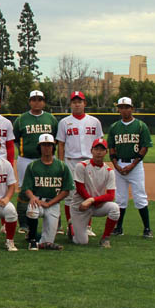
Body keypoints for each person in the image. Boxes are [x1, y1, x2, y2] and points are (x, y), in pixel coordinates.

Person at [56, 91, 103, 238]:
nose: (77, 104)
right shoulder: (64, 122)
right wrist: (62, 164)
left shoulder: (94, 122)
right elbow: (61, 145)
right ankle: (71, 224)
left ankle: (87, 226)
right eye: (74, 101)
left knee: (89, 194)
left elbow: (99, 144)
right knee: (70, 195)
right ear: (71, 104)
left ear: (85, 103)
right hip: (71, 161)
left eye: (80, 101)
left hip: (89, 161)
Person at [107, 97, 153, 238]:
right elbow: (112, 149)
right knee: (120, 198)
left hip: (136, 165)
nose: (124, 110)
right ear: (118, 109)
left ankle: (147, 229)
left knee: (140, 197)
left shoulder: (140, 126)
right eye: (121, 107)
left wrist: (132, 165)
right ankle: (118, 228)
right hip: (119, 164)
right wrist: (117, 166)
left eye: (127, 107)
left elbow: (145, 147)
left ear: (132, 108)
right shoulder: (115, 127)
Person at [12, 90, 58, 234]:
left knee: (52, 187)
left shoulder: (51, 119)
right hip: (26, 159)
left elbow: (55, 138)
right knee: (24, 189)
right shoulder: (21, 119)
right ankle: (24, 224)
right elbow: (15, 138)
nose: (37, 102)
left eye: (40, 99)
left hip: (47, 159)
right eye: (34, 99)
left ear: (44, 102)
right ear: (29, 101)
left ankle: (57, 222)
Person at [20, 134, 74, 251]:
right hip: (38, 201)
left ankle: (33, 235)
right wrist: (33, 197)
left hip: (53, 204)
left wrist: (50, 204)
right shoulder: (33, 166)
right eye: (43, 145)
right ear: (39, 148)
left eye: (49, 145)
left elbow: (66, 190)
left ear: (53, 147)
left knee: (48, 241)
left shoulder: (62, 166)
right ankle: (33, 240)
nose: (46, 148)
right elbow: (26, 188)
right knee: (32, 209)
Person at [69, 139, 120, 248]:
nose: (98, 152)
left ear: (106, 152)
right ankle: (72, 228)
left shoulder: (109, 171)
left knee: (115, 208)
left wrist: (92, 200)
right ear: (91, 151)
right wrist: (89, 201)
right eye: (96, 149)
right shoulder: (81, 166)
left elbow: (111, 195)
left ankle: (105, 238)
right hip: (80, 206)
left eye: (102, 149)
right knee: (81, 242)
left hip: (97, 205)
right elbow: (80, 188)